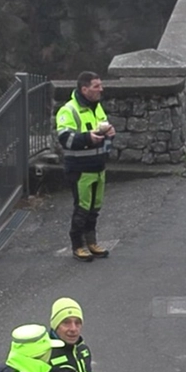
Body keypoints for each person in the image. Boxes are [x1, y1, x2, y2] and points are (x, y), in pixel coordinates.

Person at [56, 71, 115, 262]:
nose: (101, 89)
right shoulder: (69, 110)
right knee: (82, 209)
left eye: (100, 85)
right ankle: (77, 245)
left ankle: (91, 242)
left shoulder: (97, 107)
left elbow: (103, 129)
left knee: (94, 208)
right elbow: (65, 138)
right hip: (80, 168)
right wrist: (88, 138)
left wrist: (110, 134)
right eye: (96, 86)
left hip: (98, 166)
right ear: (84, 89)